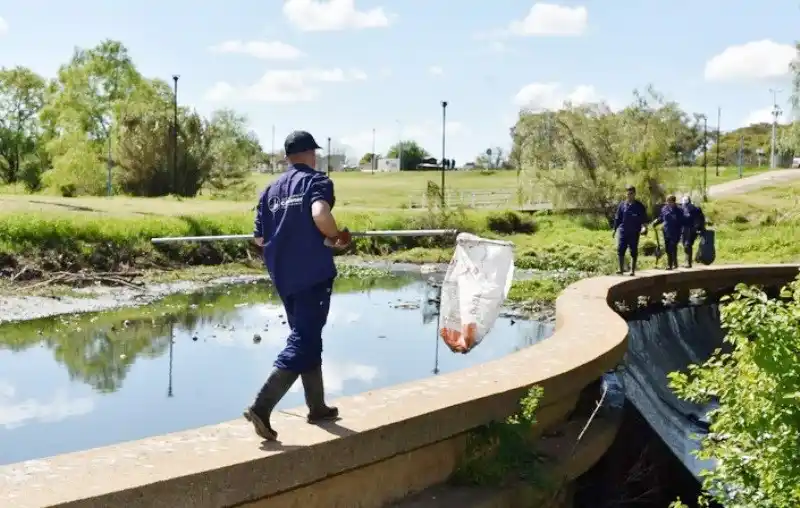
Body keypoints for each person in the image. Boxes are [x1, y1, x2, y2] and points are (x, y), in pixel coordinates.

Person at [245, 130, 351, 441]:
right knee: (304, 339)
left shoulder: (270, 190)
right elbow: (320, 213)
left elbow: (259, 239)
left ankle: (317, 407)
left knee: (306, 334)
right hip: (312, 273)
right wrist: (335, 238)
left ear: (287, 156)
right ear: (310, 153)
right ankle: (262, 406)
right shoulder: (316, 181)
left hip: (283, 275)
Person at [612, 185, 648, 276]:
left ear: (634, 194)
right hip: (623, 231)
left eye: (631, 193)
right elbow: (618, 218)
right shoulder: (622, 205)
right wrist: (614, 229)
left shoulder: (639, 206)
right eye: (627, 194)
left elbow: (644, 220)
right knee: (620, 249)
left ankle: (632, 270)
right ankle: (621, 269)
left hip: (634, 232)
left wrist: (644, 228)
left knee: (633, 251)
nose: (629, 195)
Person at [651, 195, 685, 270]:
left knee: (672, 247)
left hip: (676, 232)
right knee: (667, 249)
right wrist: (655, 222)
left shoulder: (679, 210)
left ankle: (671, 264)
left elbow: (682, 221)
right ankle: (673, 263)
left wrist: (682, 231)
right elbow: (661, 217)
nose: (668, 203)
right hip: (666, 231)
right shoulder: (664, 208)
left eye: (669, 201)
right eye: (667, 201)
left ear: (674, 202)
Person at [679, 195, 706, 268]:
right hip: (685, 229)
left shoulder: (695, 209)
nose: (686, 205)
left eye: (686, 204)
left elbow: (700, 219)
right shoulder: (682, 208)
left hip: (691, 229)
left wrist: (700, 229)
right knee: (685, 245)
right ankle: (687, 261)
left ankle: (689, 263)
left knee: (687, 245)